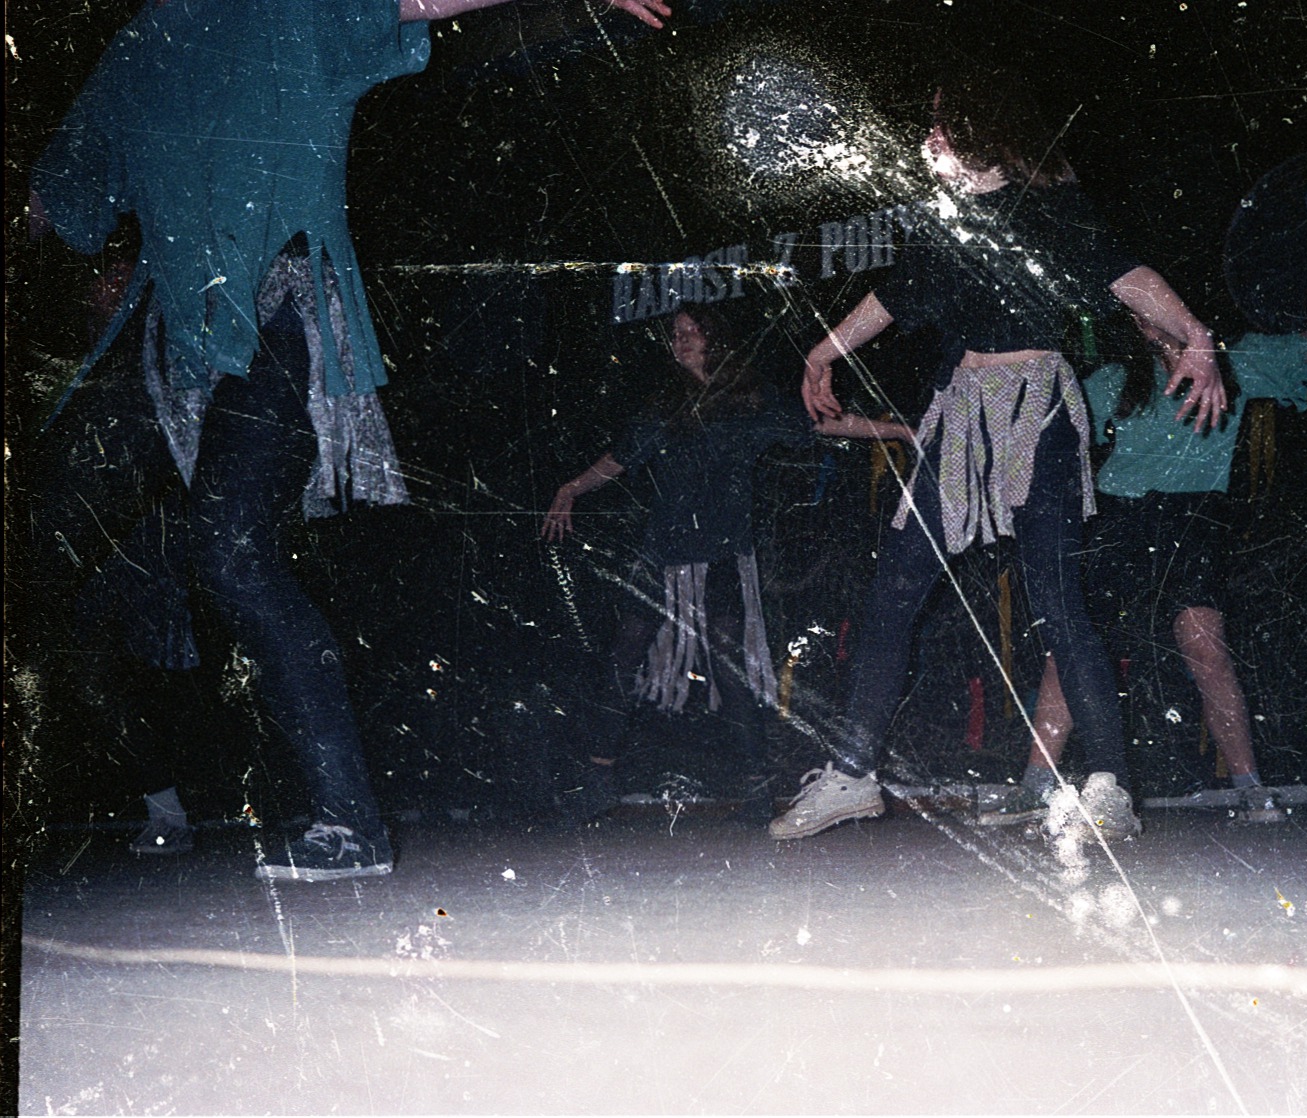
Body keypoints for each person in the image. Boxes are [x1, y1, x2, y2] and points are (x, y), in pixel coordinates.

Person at [26, 0, 673, 881]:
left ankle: (349, 822)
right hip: (170, 342)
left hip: (280, 314)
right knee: (47, 532)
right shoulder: (133, 51)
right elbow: (53, 202)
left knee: (230, 553)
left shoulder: (282, 14)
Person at [769, 76, 1226, 842]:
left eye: (940, 126)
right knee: (893, 591)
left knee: (1055, 595)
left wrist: (1198, 335)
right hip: (961, 414)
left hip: (1035, 408)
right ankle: (852, 775)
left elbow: (1127, 276)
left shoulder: (1050, 209)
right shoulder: (948, 225)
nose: (927, 141)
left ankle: (1108, 784)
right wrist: (821, 350)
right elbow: (894, 298)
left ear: (981, 132)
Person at [1009, 316, 1307, 825]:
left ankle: (1249, 788)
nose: (1154, 330)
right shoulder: (1116, 379)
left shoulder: (1235, 364)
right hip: (1118, 517)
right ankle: (1034, 787)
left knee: (1205, 642)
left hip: (1191, 516)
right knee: (1068, 648)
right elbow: (1041, 420)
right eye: (1143, 323)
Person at [541, 305, 911, 826]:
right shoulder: (663, 406)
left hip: (721, 556)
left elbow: (824, 425)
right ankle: (597, 779)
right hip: (663, 554)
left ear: (718, 339)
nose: (683, 340)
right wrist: (570, 488)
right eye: (676, 334)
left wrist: (897, 431)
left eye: (693, 331)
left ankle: (758, 786)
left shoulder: (751, 400)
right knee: (624, 656)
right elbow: (621, 457)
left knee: (729, 665)